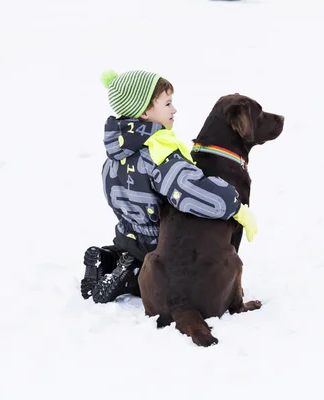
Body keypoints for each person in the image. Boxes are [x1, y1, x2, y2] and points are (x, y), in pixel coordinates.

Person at [81, 69, 257, 304]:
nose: (174, 110)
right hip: (158, 243)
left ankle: (109, 258)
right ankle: (129, 276)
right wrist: (233, 205)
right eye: (167, 103)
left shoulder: (115, 155)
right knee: (157, 276)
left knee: (130, 253)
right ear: (144, 111)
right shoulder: (158, 152)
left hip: (126, 234)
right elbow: (190, 190)